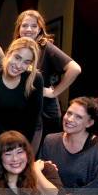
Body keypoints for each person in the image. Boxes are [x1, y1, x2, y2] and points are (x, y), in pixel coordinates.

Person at [14, 9, 82, 137]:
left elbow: (75, 69)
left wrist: (54, 92)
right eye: (24, 25)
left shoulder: (45, 47)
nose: (29, 29)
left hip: (45, 113)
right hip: (27, 111)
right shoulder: (17, 49)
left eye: (34, 26)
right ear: (19, 28)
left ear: (40, 29)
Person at [0, 37, 43, 152]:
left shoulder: (35, 79)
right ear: (9, 53)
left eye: (26, 62)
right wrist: (9, 144)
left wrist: (21, 146)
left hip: (29, 132)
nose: (19, 65)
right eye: (17, 58)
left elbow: (32, 118)